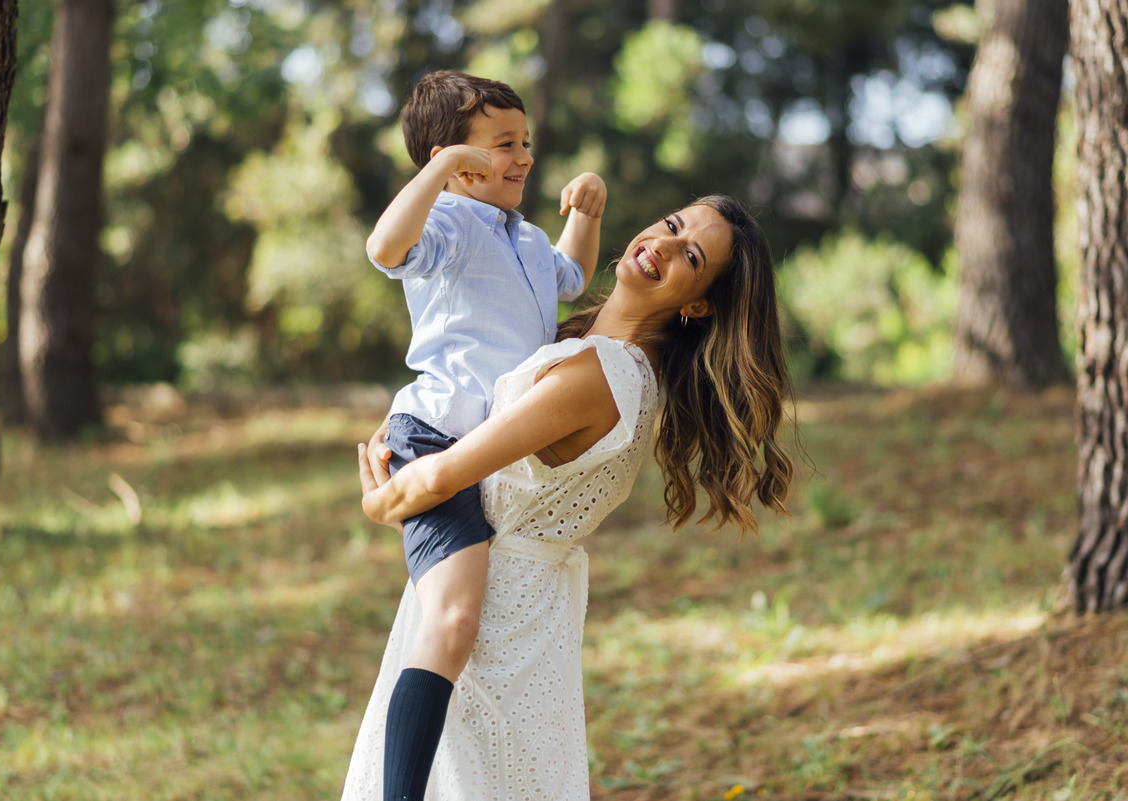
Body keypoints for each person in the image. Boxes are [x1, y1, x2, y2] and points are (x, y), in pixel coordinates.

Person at [340, 195, 795, 800]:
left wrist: (379, 499)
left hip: (492, 625)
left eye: (690, 254)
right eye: (672, 224)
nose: (661, 244)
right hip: (502, 604)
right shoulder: (596, 352)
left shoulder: (599, 376)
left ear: (697, 303)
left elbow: (445, 478)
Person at [363, 70, 607, 801]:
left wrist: (587, 209)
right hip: (434, 441)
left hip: (495, 453)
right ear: (453, 159)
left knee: (472, 624)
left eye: (525, 141)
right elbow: (384, 247)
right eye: (503, 144)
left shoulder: (526, 236)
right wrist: (437, 176)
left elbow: (571, 278)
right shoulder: (447, 224)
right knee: (455, 617)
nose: (524, 157)